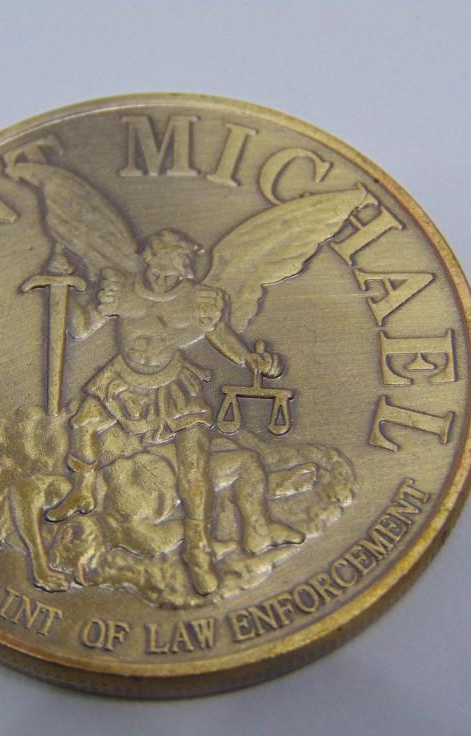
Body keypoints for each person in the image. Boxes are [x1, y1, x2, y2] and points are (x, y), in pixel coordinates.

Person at [45, 229, 302, 595]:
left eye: (184, 260)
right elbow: (82, 328)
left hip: (175, 384)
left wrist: (249, 359)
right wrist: (64, 294)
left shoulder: (199, 298)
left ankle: (198, 551)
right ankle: (84, 490)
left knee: (193, 471)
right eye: (174, 257)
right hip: (122, 379)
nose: (180, 266)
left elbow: (220, 335)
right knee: (84, 422)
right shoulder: (121, 288)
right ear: (150, 256)